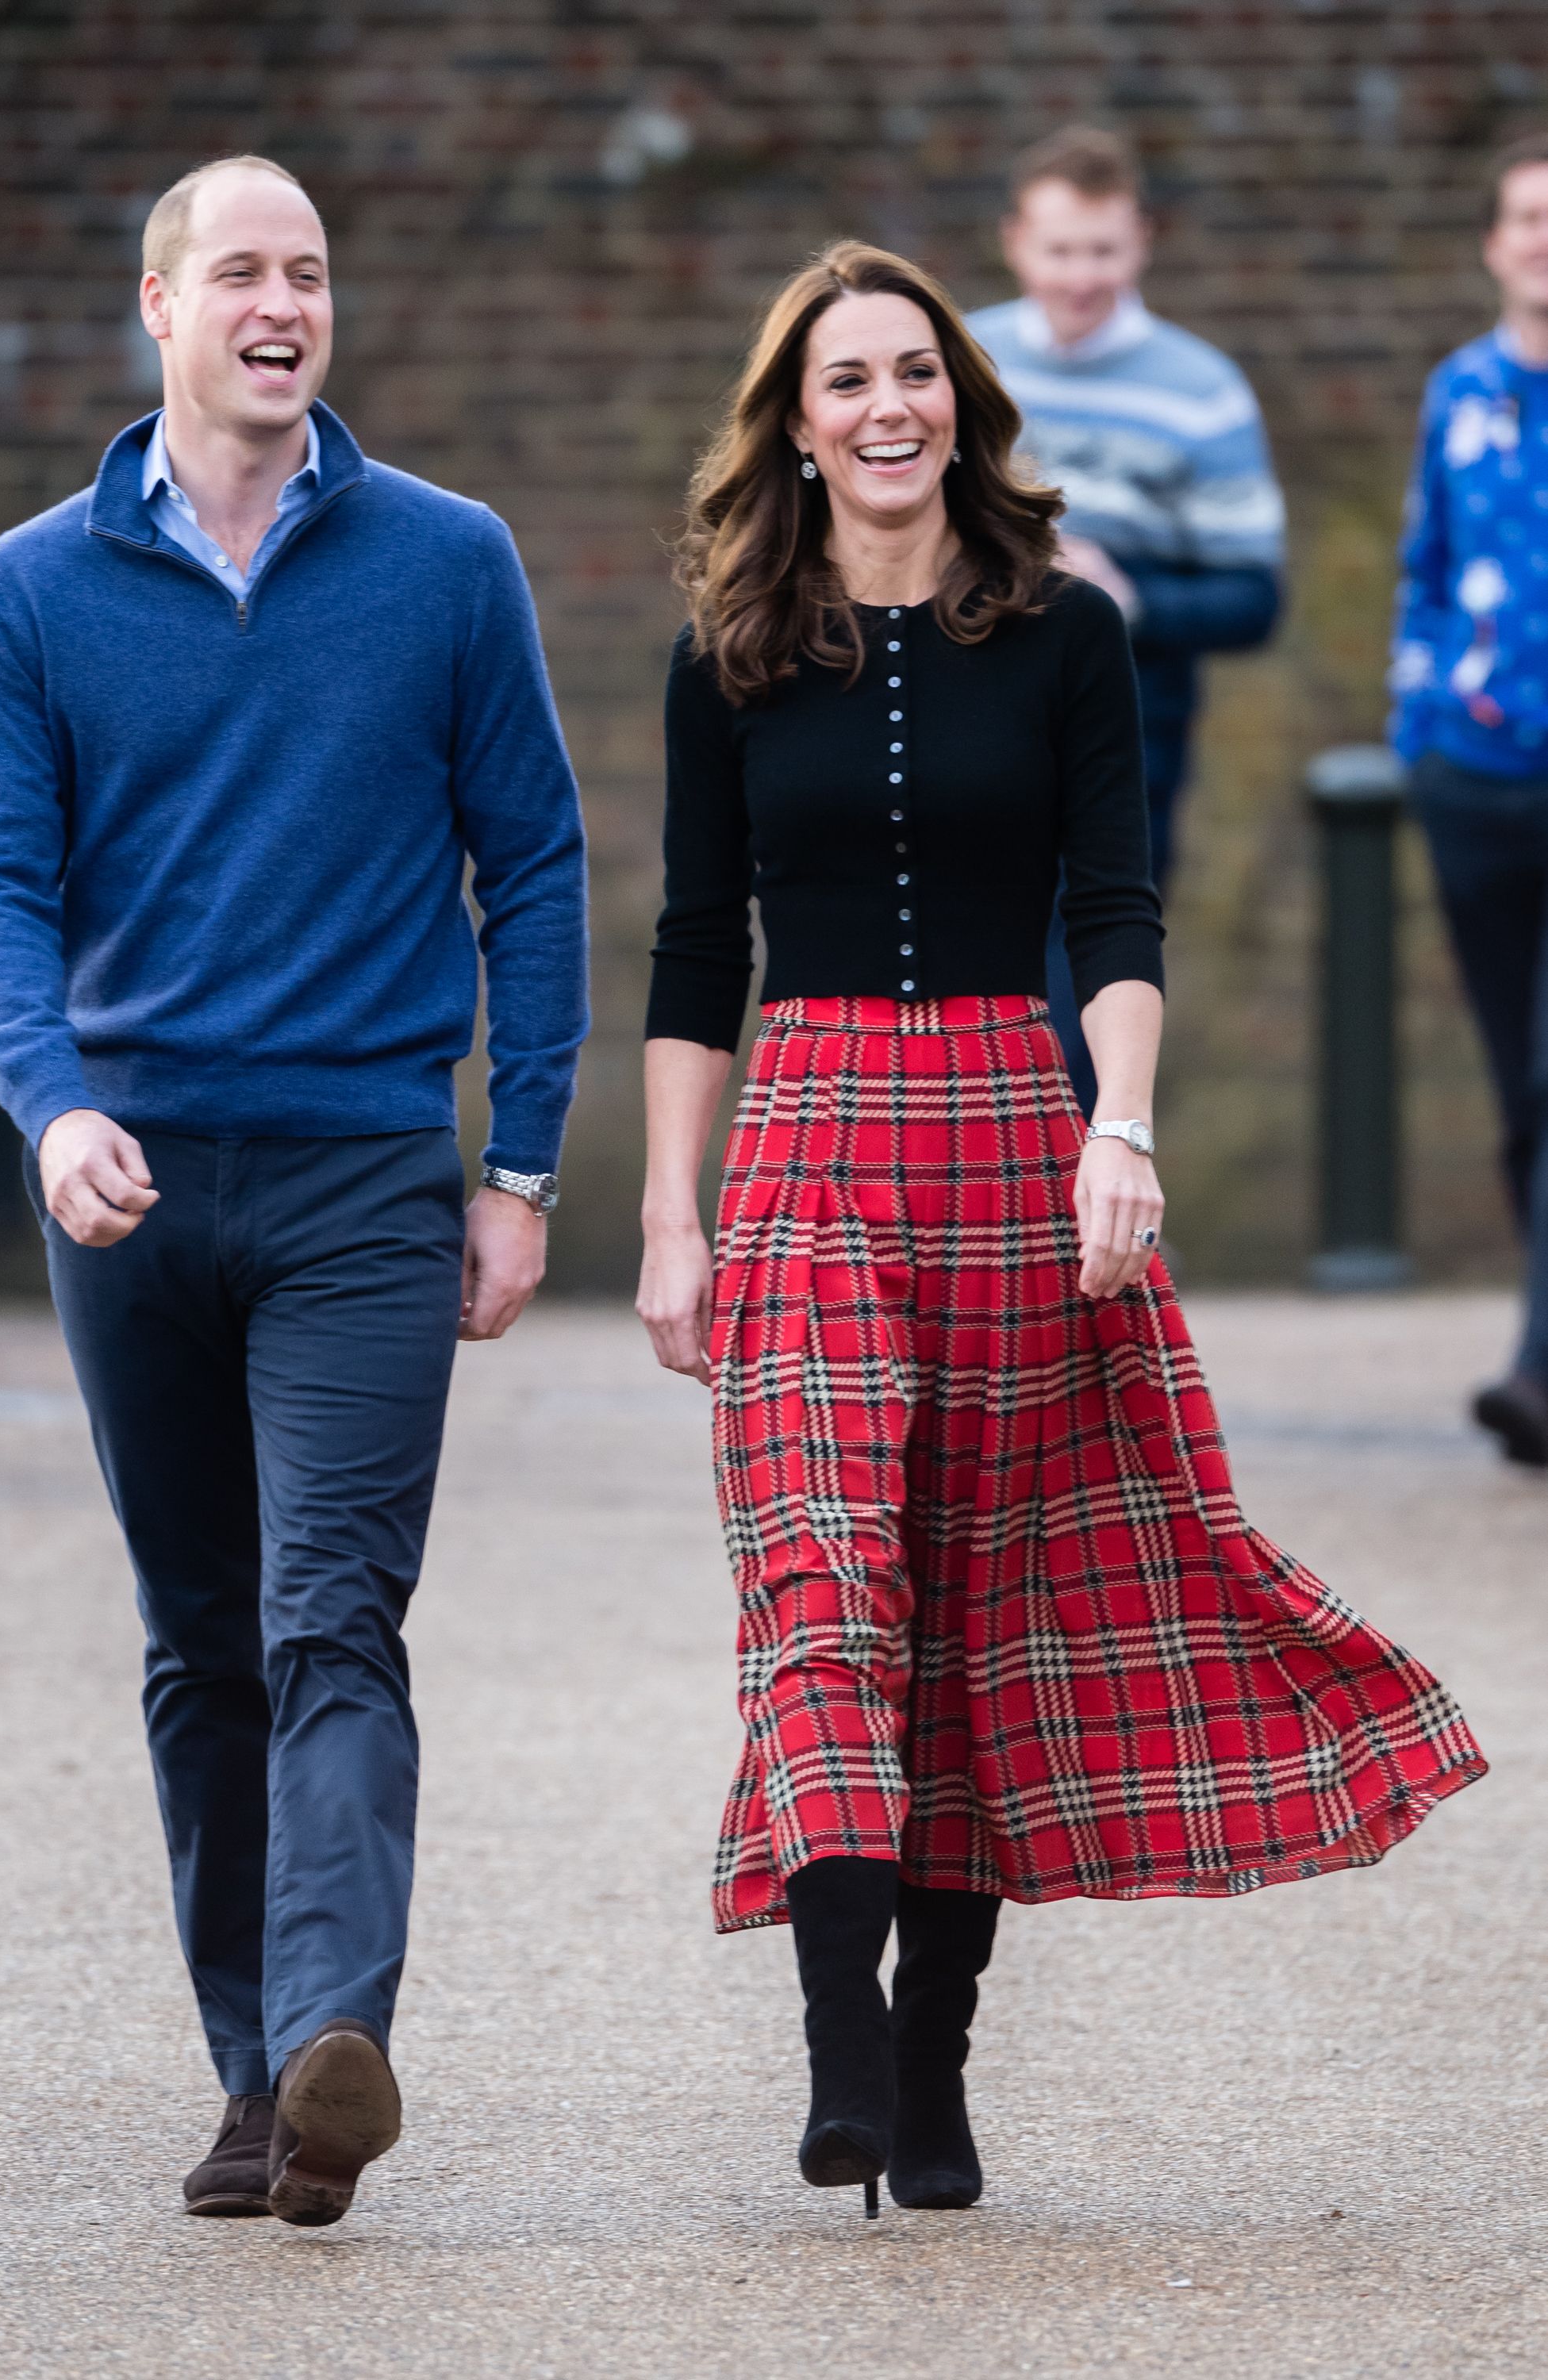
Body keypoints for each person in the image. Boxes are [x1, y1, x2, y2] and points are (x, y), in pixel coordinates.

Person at [636, 240, 1483, 2219]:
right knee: (826, 1575)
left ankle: (932, 2059)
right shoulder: (730, 650)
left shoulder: (1066, 629)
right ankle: (842, 2041)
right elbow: (694, 951)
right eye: (843, 382)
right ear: (795, 421)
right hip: (811, 1141)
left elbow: (1116, 909)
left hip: (1016, 1130)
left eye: (913, 374)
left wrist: (1124, 1123)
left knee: (971, 1615)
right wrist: (669, 1219)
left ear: (963, 400)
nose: (885, 410)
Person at [0, 155, 589, 2226]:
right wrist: (49, 1104)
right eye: (241, 270)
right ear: (159, 305)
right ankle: (258, 2079)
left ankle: (337, 2037)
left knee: (332, 1613)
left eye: (308, 271)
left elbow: (541, 863)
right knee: (199, 1631)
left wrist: (523, 1161)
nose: (280, 301)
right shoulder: (32, 592)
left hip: (362, 1183)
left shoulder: (448, 564)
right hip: (126, 1188)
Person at [967, 125, 1285, 1114]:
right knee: (972, 971)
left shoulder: (1203, 393)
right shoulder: (957, 363)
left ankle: (1085, 1206)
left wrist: (1129, 598)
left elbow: (1254, 598)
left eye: (1103, 250)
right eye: (1061, 250)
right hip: (971, 712)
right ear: (1017, 241)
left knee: (1092, 976)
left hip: (1131, 735)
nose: (1081, 275)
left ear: (1140, 242)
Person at [1392, 132, 1548, 1468]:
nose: (1540, 241)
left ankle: (1535, 1371)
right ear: (1493, 241)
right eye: (1524, 218)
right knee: (1517, 1090)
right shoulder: (1458, 392)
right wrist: (1419, 725)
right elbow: (1424, 569)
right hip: (1476, 782)